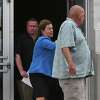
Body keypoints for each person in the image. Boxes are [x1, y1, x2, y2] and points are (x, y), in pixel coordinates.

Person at [52, 5, 94, 100]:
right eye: (83, 15)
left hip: (76, 75)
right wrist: (71, 64)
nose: (84, 18)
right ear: (79, 15)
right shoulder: (68, 25)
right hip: (72, 76)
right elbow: (65, 46)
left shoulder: (72, 26)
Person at [28, 19, 64, 100]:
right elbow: (55, 46)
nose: (51, 30)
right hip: (38, 74)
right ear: (42, 31)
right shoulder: (42, 40)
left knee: (54, 94)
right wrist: (64, 38)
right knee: (41, 96)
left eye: (52, 28)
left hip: (47, 74)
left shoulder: (49, 41)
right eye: (49, 29)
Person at [14, 18, 38, 100]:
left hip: (38, 74)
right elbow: (17, 55)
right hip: (25, 75)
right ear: (26, 27)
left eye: (34, 26)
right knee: (26, 97)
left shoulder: (41, 39)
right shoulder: (21, 38)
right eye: (30, 26)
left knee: (39, 96)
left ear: (37, 27)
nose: (32, 28)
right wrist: (21, 70)